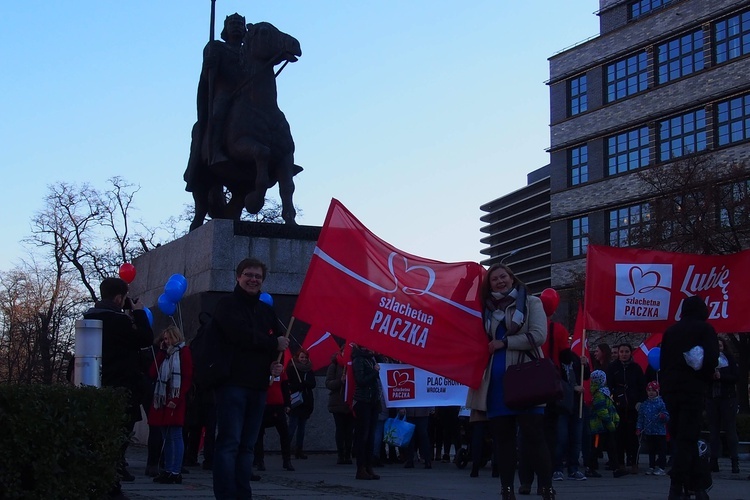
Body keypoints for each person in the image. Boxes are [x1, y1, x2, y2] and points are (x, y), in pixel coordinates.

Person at [464, 263, 555, 500]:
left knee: (534, 436)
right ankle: (506, 489)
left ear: (512, 278)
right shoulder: (484, 309)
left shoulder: (532, 302)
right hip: (496, 382)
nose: (500, 281)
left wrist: (504, 343)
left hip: (526, 379)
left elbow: (538, 335)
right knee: (502, 440)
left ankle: (546, 487)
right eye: (494, 279)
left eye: (503, 276)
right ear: (489, 285)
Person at [211, 258, 289, 500]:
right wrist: (271, 343)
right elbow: (240, 335)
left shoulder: (267, 312)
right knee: (229, 444)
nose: (253, 279)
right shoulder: (226, 304)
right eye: (249, 274)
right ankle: (226, 495)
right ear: (238, 277)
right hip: (232, 384)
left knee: (247, 446)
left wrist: (275, 364)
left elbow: (274, 345)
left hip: (258, 386)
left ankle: (243, 494)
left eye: (258, 276)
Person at [83, 277, 154, 483]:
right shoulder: (118, 321)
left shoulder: (91, 317)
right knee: (124, 426)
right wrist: (139, 313)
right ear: (118, 298)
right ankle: (115, 466)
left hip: (98, 378)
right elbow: (145, 338)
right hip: (123, 382)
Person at [660, 295, 719, 500]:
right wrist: (706, 376)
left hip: (671, 392)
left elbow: (663, 362)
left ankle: (696, 486)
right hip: (692, 390)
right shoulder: (705, 330)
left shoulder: (670, 332)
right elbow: (711, 359)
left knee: (681, 437)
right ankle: (677, 485)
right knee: (688, 437)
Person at [184, 13, 248, 193]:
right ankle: (213, 150)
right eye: (232, 23)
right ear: (225, 28)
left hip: (247, 94)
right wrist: (208, 65)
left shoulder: (249, 50)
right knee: (218, 113)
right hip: (225, 92)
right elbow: (207, 77)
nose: (236, 26)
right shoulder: (217, 47)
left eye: (239, 24)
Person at [148, 325, 194, 484]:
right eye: (164, 339)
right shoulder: (166, 354)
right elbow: (153, 372)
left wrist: (177, 399)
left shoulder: (184, 352)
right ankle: (168, 469)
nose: (166, 342)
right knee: (165, 436)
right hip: (162, 397)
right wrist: (161, 353)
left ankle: (175, 470)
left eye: (168, 339)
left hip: (175, 396)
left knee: (175, 434)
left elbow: (187, 377)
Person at [552, 348, 590, 482]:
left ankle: (573, 468)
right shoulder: (555, 360)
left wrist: (586, 365)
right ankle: (557, 468)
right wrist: (572, 388)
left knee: (576, 439)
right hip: (562, 406)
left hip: (577, 405)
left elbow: (585, 376)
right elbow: (555, 381)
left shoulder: (574, 359)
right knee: (561, 438)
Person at [606, 343, 646, 473]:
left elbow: (641, 386)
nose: (624, 354)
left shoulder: (636, 368)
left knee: (633, 437)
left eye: (626, 351)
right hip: (618, 407)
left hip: (633, 407)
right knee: (619, 436)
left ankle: (634, 462)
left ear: (630, 353)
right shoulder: (612, 368)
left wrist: (640, 401)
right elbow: (608, 385)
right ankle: (620, 463)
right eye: (621, 352)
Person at [705, 336, 740, 474]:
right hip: (712, 399)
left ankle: (734, 461)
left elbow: (736, 377)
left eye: (720, 346)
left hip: (727, 399)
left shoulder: (729, 360)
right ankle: (713, 461)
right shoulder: (708, 360)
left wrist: (722, 376)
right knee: (713, 432)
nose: (718, 348)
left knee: (730, 430)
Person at [588, 370, 628, 478]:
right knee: (596, 447)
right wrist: (609, 422)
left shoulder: (604, 393)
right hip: (599, 427)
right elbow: (602, 410)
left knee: (611, 447)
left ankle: (615, 468)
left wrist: (614, 419)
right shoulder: (600, 394)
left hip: (606, 427)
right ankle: (590, 467)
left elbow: (610, 408)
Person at [351, 344, 383, 480]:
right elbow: (361, 380)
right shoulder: (358, 359)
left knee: (371, 437)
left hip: (373, 402)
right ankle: (361, 468)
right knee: (362, 437)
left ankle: (369, 466)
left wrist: (377, 356)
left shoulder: (372, 359)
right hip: (363, 402)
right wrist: (375, 372)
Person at [253, 369, 294, 472]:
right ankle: (259, 461)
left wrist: (287, 404)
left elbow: (285, 388)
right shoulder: (261, 369)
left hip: (278, 406)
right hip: (263, 406)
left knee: (284, 434)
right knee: (258, 435)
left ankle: (287, 460)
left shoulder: (281, 371)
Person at [325, 349, 354, 465]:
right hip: (337, 402)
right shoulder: (334, 366)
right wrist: (339, 381)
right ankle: (340, 454)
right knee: (340, 430)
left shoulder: (353, 365)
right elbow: (328, 383)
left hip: (350, 403)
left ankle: (348, 454)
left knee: (349, 431)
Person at [287, 348, 316, 460]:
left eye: (305, 357)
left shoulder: (309, 370)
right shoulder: (291, 369)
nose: (304, 359)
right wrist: (299, 385)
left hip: (306, 401)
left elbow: (312, 384)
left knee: (302, 428)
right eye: (301, 357)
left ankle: (299, 450)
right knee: (292, 426)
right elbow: (288, 385)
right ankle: (286, 448)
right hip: (295, 401)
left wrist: (305, 383)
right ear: (297, 358)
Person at [636, 380, 669, 476]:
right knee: (651, 450)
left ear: (657, 391)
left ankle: (662, 467)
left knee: (661, 450)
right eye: (649, 390)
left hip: (660, 432)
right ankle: (651, 466)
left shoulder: (661, 403)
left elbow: (667, 416)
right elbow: (641, 417)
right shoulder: (645, 404)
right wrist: (638, 428)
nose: (651, 392)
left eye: (653, 390)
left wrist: (663, 416)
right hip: (649, 431)